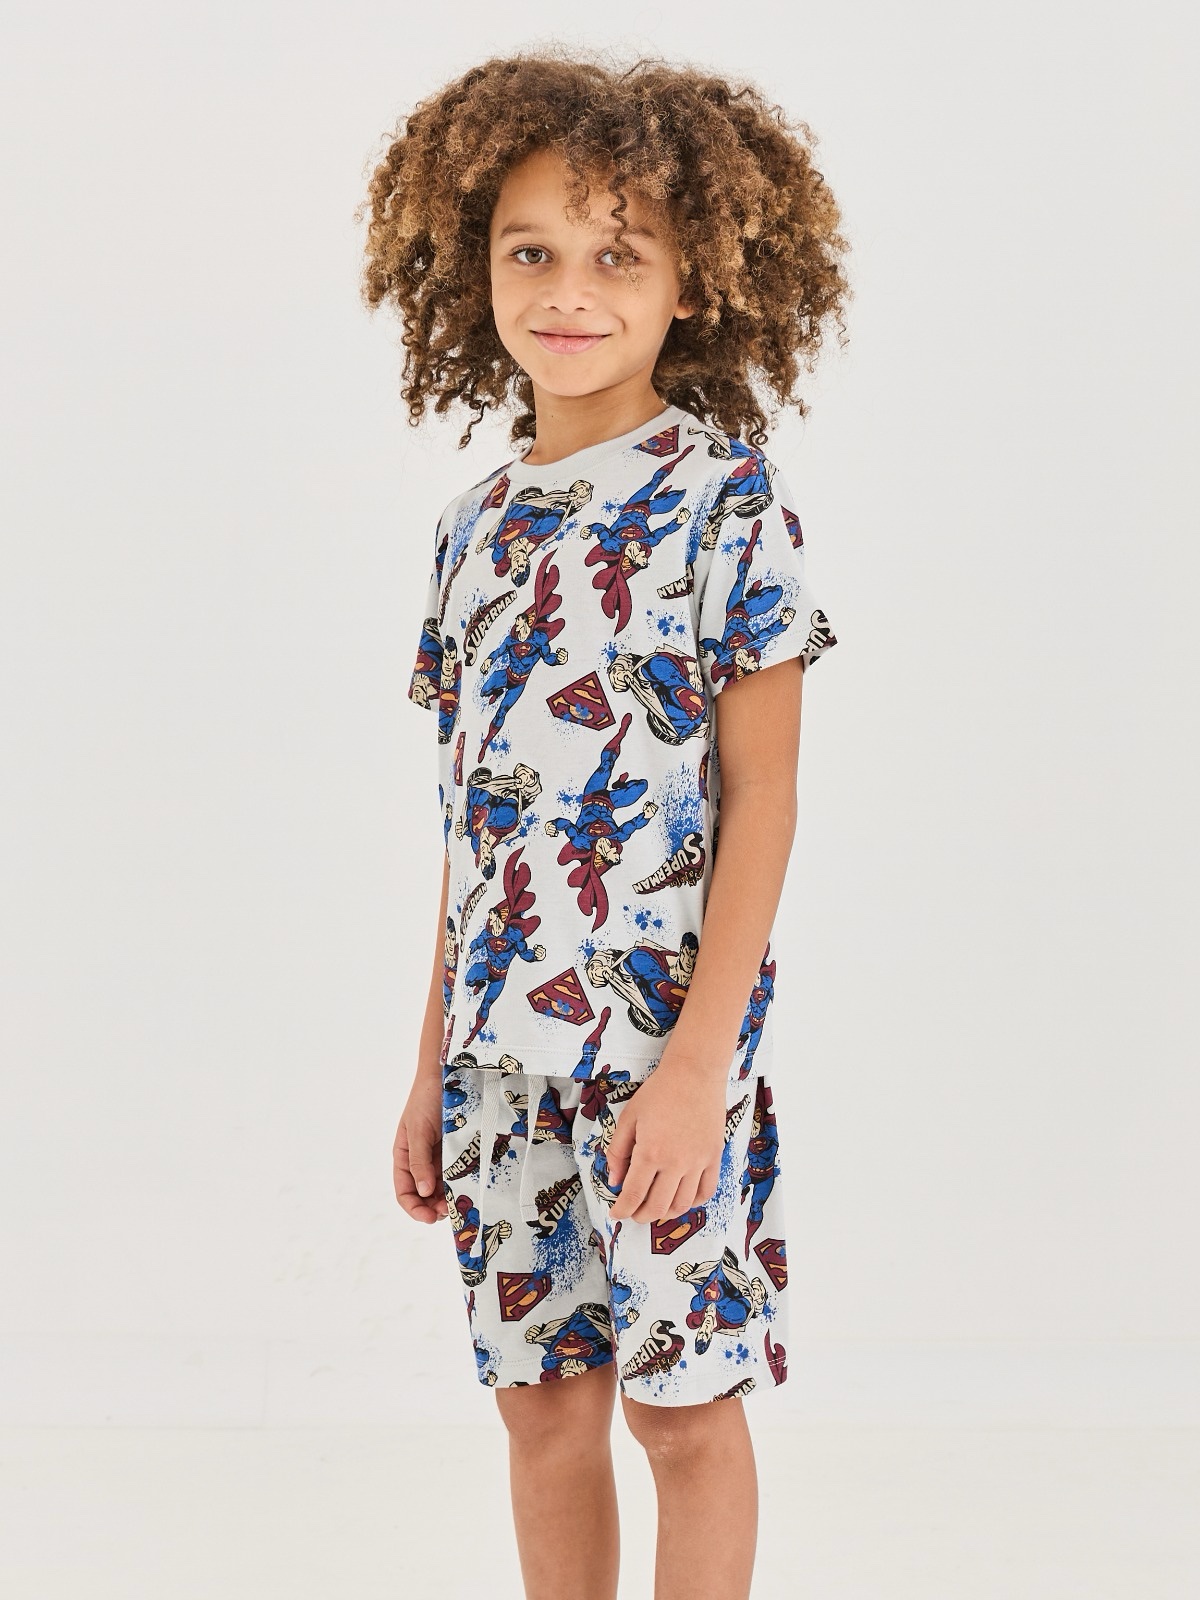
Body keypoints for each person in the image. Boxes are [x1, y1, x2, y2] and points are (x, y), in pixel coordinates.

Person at [358, 45, 850, 1600]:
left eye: (617, 258)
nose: (569, 292)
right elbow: (473, 827)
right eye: (532, 253)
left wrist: (700, 1068)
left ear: (692, 282)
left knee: (680, 1410)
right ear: (478, 269)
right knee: (543, 1413)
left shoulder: (726, 503)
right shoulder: (472, 531)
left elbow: (765, 797)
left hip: (659, 1057)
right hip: (498, 1060)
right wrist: (432, 1063)